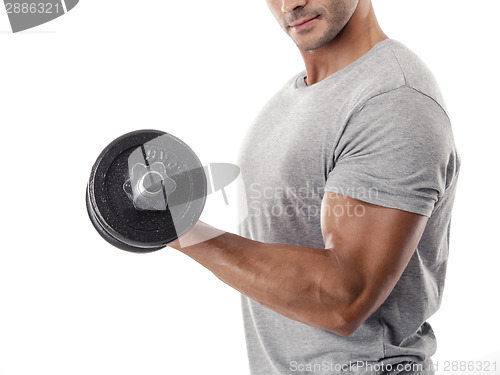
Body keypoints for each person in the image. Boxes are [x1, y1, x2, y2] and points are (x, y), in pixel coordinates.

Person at [170, 0, 460, 373]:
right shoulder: (291, 100)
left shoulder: (392, 101)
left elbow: (342, 297)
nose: (290, 4)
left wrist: (182, 230)